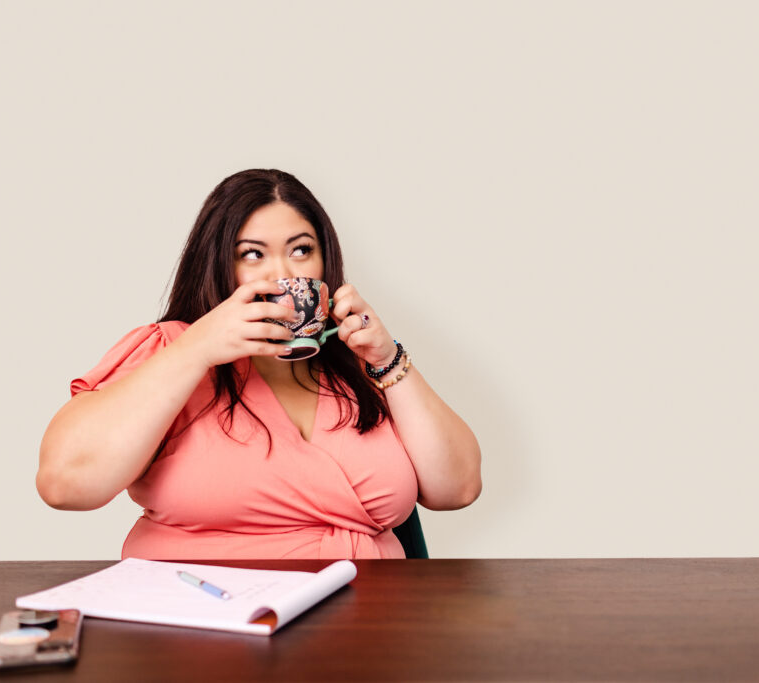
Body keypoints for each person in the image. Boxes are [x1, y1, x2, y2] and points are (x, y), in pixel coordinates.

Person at [37, 169, 482, 559]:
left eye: (301, 250)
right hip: (201, 632)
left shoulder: (362, 366)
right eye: (253, 254)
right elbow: (65, 484)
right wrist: (198, 348)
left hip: (368, 630)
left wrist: (388, 360)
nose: (280, 273)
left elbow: (458, 488)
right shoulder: (170, 350)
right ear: (218, 266)